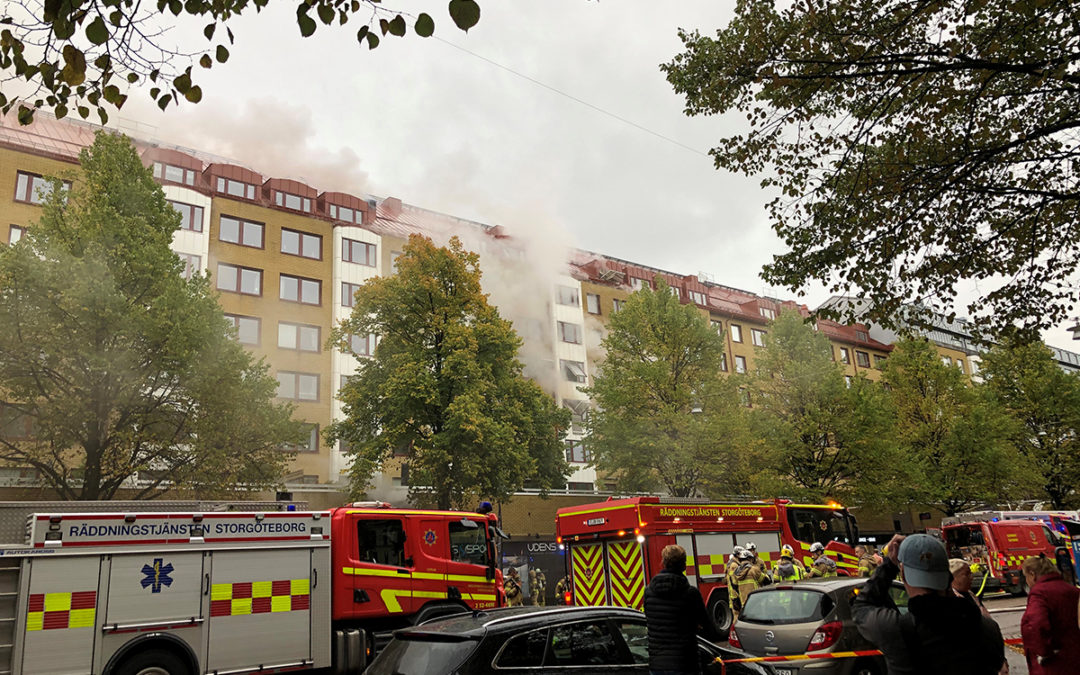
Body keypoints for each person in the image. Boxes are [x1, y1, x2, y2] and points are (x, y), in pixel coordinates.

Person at [852, 533, 1005, 675]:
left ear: (903, 573)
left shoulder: (896, 630)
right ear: (947, 574)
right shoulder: (988, 628)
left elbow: (861, 608)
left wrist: (889, 566)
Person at [643, 544, 711, 675]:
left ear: (663, 563)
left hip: (657, 666)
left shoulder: (648, 592)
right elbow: (708, 628)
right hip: (686, 665)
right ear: (684, 565)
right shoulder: (691, 594)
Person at [1021, 555, 1080, 675]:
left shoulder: (1039, 593)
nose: (1026, 581)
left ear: (1032, 575)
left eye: (1025, 576)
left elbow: (1036, 624)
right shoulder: (1073, 590)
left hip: (1054, 663)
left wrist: (1044, 652)